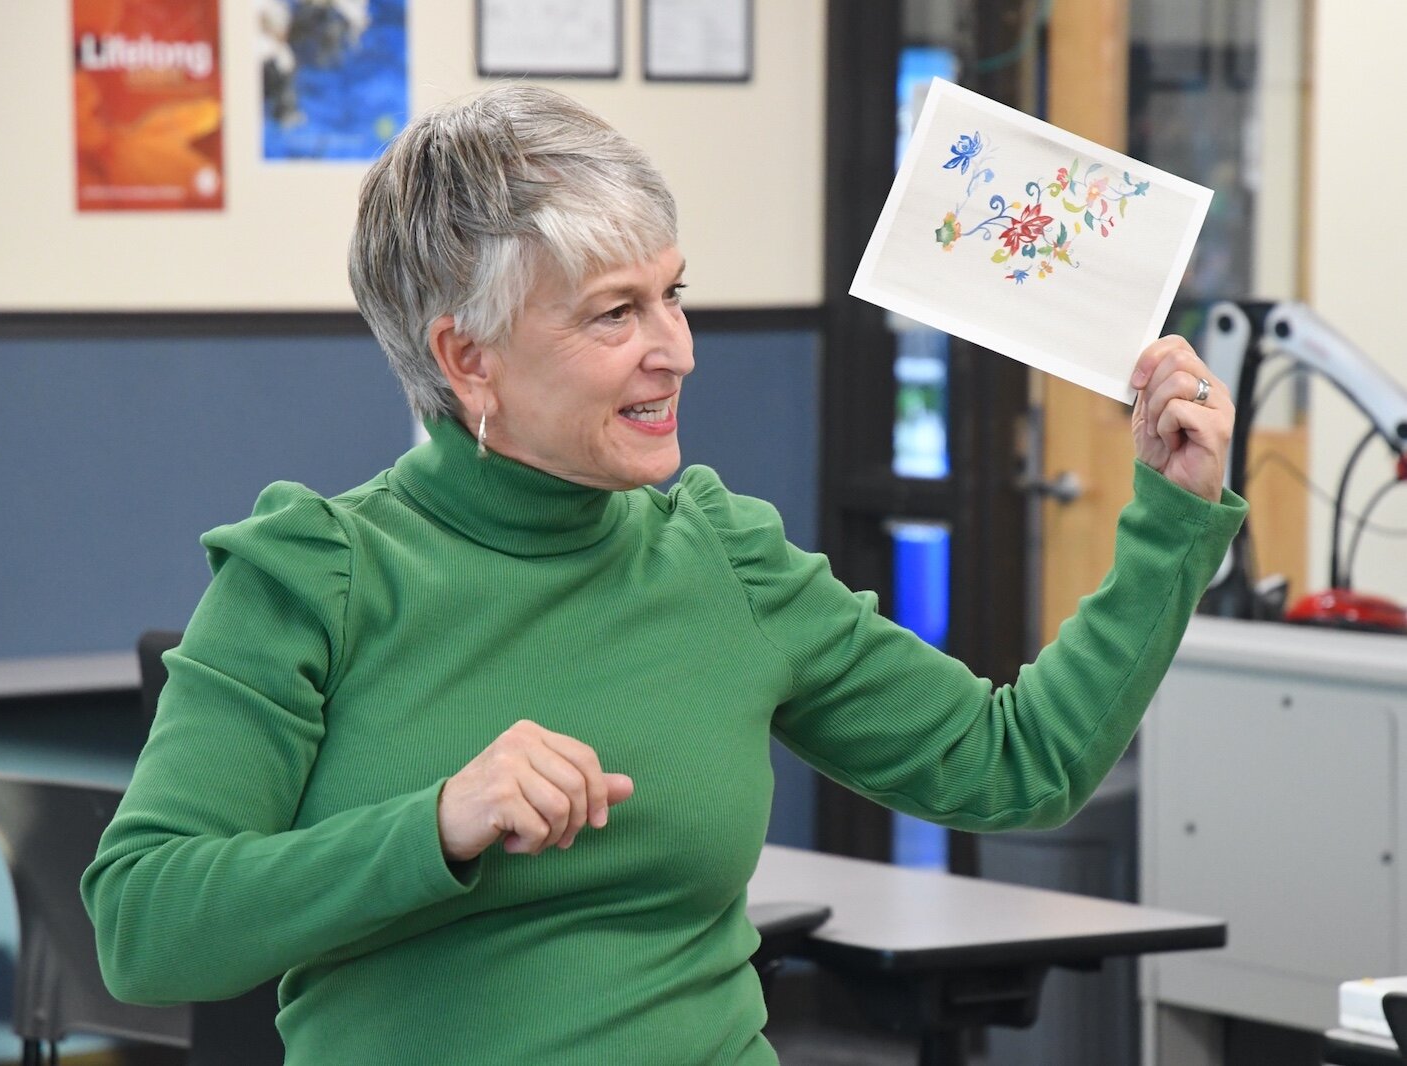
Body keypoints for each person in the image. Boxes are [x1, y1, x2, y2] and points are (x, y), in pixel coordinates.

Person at [82, 83, 1246, 1064]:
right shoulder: (314, 573)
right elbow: (143, 928)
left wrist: (1171, 523)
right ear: (465, 358)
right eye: (613, 314)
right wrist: (436, 823)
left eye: (672, 293)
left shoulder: (719, 549)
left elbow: (1014, 765)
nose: (675, 348)